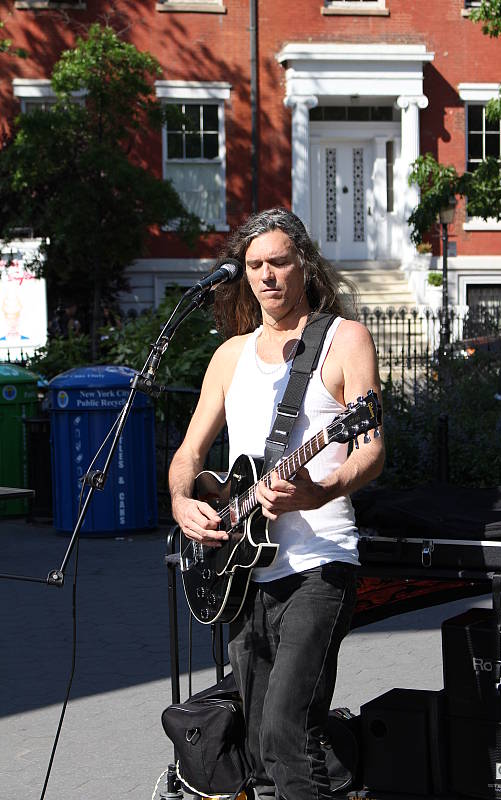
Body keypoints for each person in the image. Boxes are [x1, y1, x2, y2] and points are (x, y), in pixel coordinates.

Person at [169, 207, 385, 800]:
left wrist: (321, 490)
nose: (266, 275)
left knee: (288, 733)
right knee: (261, 750)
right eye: (255, 264)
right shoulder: (230, 356)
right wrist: (182, 501)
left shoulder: (344, 339)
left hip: (320, 564)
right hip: (245, 573)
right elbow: (188, 453)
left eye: (279, 262)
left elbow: (370, 450)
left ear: (304, 265)